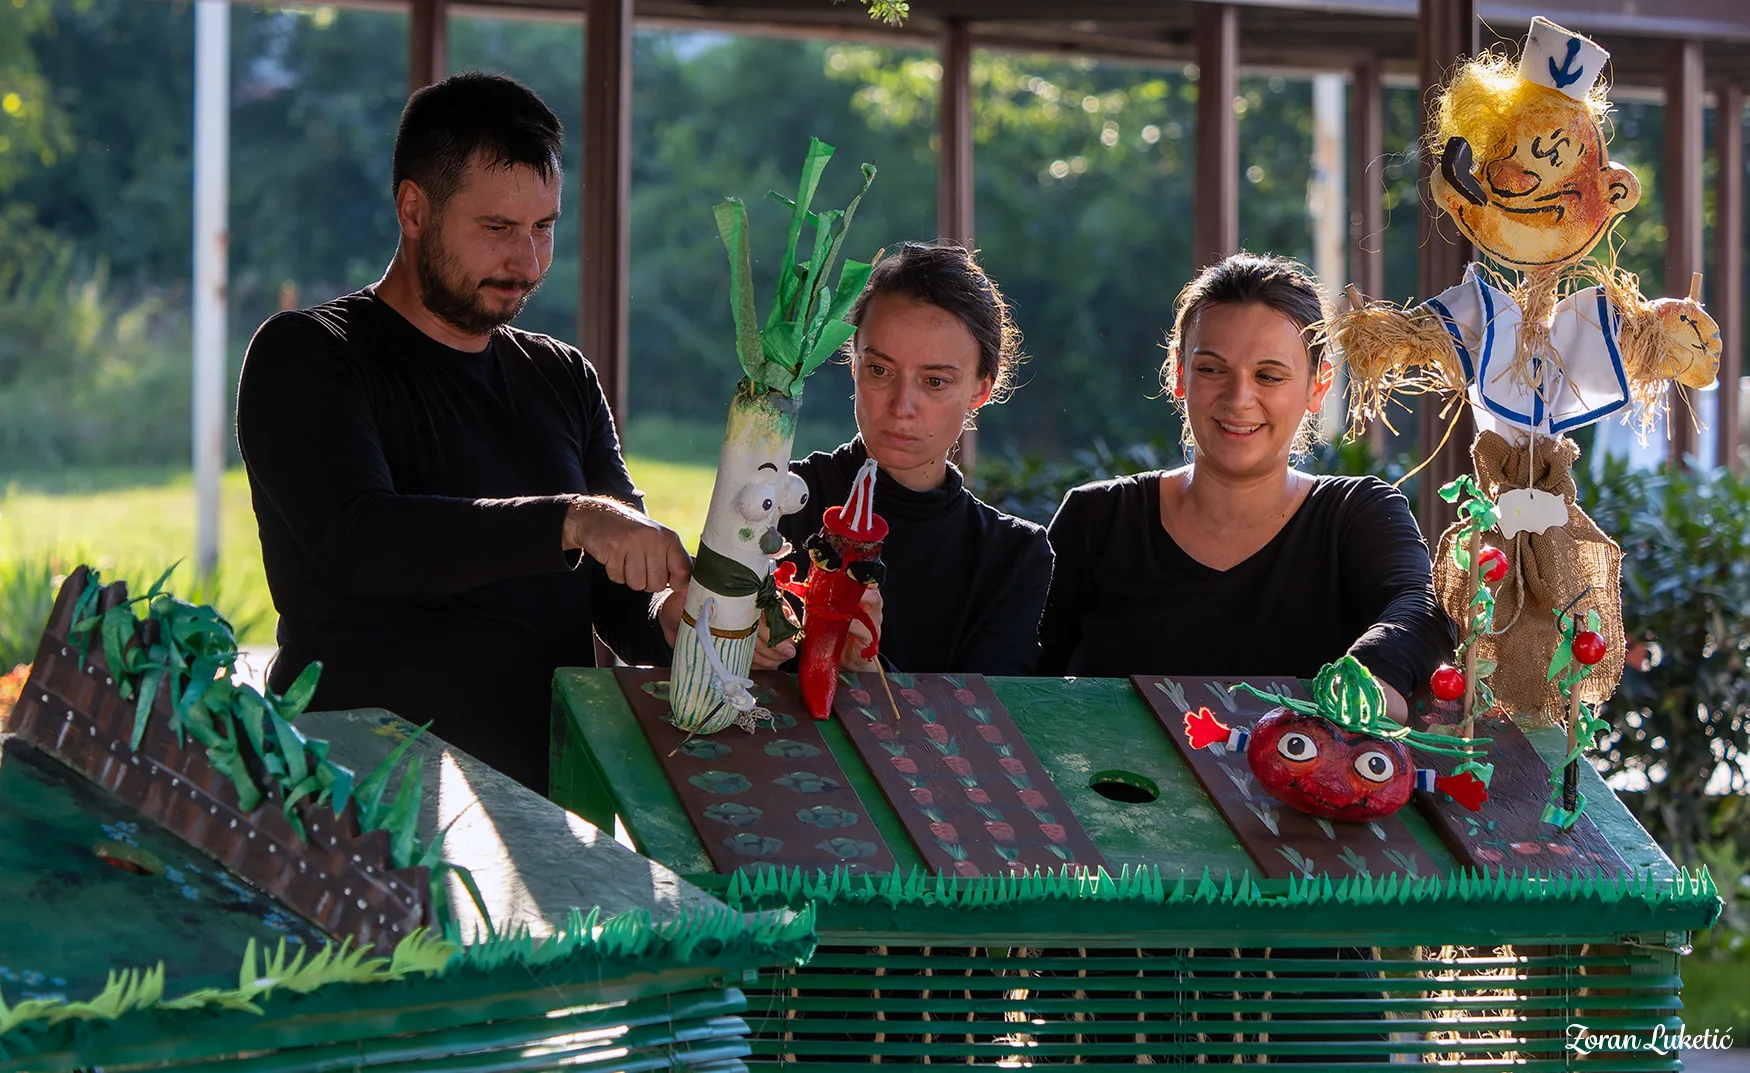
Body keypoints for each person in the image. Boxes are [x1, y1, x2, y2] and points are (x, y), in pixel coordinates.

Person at [235, 72, 690, 792]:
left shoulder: (564, 376)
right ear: (414, 208)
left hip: (544, 818)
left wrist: (685, 617)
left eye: (544, 228)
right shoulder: (308, 353)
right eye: (498, 229)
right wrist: (573, 520)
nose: (528, 261)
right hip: (356, 809)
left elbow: (621, 595)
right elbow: (363, 543)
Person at [1038, 252, 1453, 717]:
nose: (1238, 399)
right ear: (1179, 373)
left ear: (1319, 385)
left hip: (1297, 791)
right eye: (1212, 370)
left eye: (1269, 376)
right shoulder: (1098, 519)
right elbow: (1024, 686)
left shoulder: (1356, 513)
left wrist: (1369, 682)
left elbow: (1422, 606)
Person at [754, 242, 1053, 676]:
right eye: (880, 370)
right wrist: (724, 633)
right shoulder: (775, 499)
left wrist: (874, 674)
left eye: (934, 381)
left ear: (980, 390)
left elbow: (989, 727)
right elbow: (677, 648)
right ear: (854, 364)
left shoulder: (1012, 556)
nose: (902, 406)